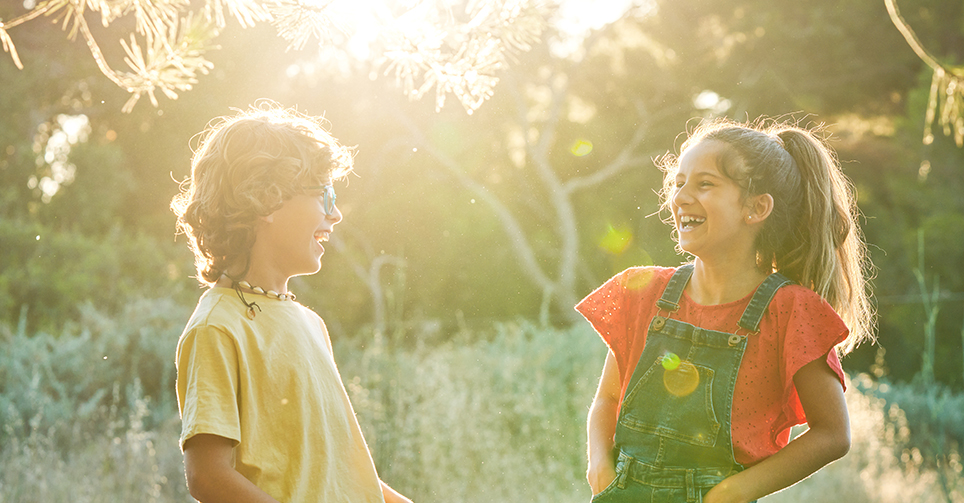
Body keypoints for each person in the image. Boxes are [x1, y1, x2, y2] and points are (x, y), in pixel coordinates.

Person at [577, 118, 874, 503]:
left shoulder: (790, 310)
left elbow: (832, 434)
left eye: (705, 184)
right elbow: (607, 401)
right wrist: (599, 464)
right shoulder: (644, 292)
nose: (681, 197)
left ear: (756, 208)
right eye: (679, 183)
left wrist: (734, 492)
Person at [170, 102, 412, 503]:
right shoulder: (217, 327)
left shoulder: (310, 323)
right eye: (324, 195)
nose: (335, 215)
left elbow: (339, 473)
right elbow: (209, 477)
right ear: (265, 199)